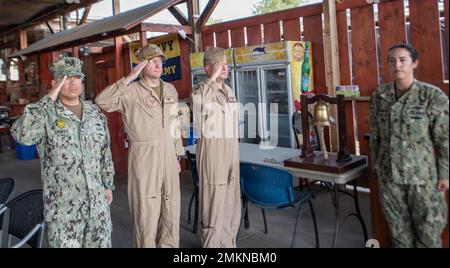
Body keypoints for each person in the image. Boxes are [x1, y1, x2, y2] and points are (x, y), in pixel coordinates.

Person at [11, 56, 115, 248]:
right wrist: (48, 98)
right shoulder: (45, 114)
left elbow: (104, 153)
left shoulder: (95, 114)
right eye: (65, 78)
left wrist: (107, 184)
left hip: (97, 208)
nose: (73, 82)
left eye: (76, 77)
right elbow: (22, 135)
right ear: (54, 83)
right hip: (63, 211)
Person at [95, 44, 183, 248]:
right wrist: (129, 77)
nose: (157, 64)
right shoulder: (130, 91)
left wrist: (177, 156)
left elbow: (175, 124)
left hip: (169, 157)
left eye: (160, 61)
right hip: (144, 157)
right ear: (141, 65)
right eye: (151, 61)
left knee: (171, 209)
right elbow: (102, 101)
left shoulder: (170, 89)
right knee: (146, 212)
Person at [369, 43, 449, 248]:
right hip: (390, 179)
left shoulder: (431, 96)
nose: (397, 65)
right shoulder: (380, 96)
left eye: (403, 59)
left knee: (429, 235)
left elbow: (445, 138)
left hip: (423, 179)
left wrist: (445, 174)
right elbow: (376, 136)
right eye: (392, 60)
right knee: (399, 235)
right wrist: (377, 167)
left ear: (414, 63)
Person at [190, 46, 241, 248]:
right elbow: (197, 101)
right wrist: (211, 80)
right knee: (214, 200)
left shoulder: (228, 90)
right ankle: (211, 245)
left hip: (231, 149)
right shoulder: (201, 89)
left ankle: (228, 244)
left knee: (231, 198)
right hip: (213, 150)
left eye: (226, 64)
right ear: (207, 68)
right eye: (219, 65)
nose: (224, 68)